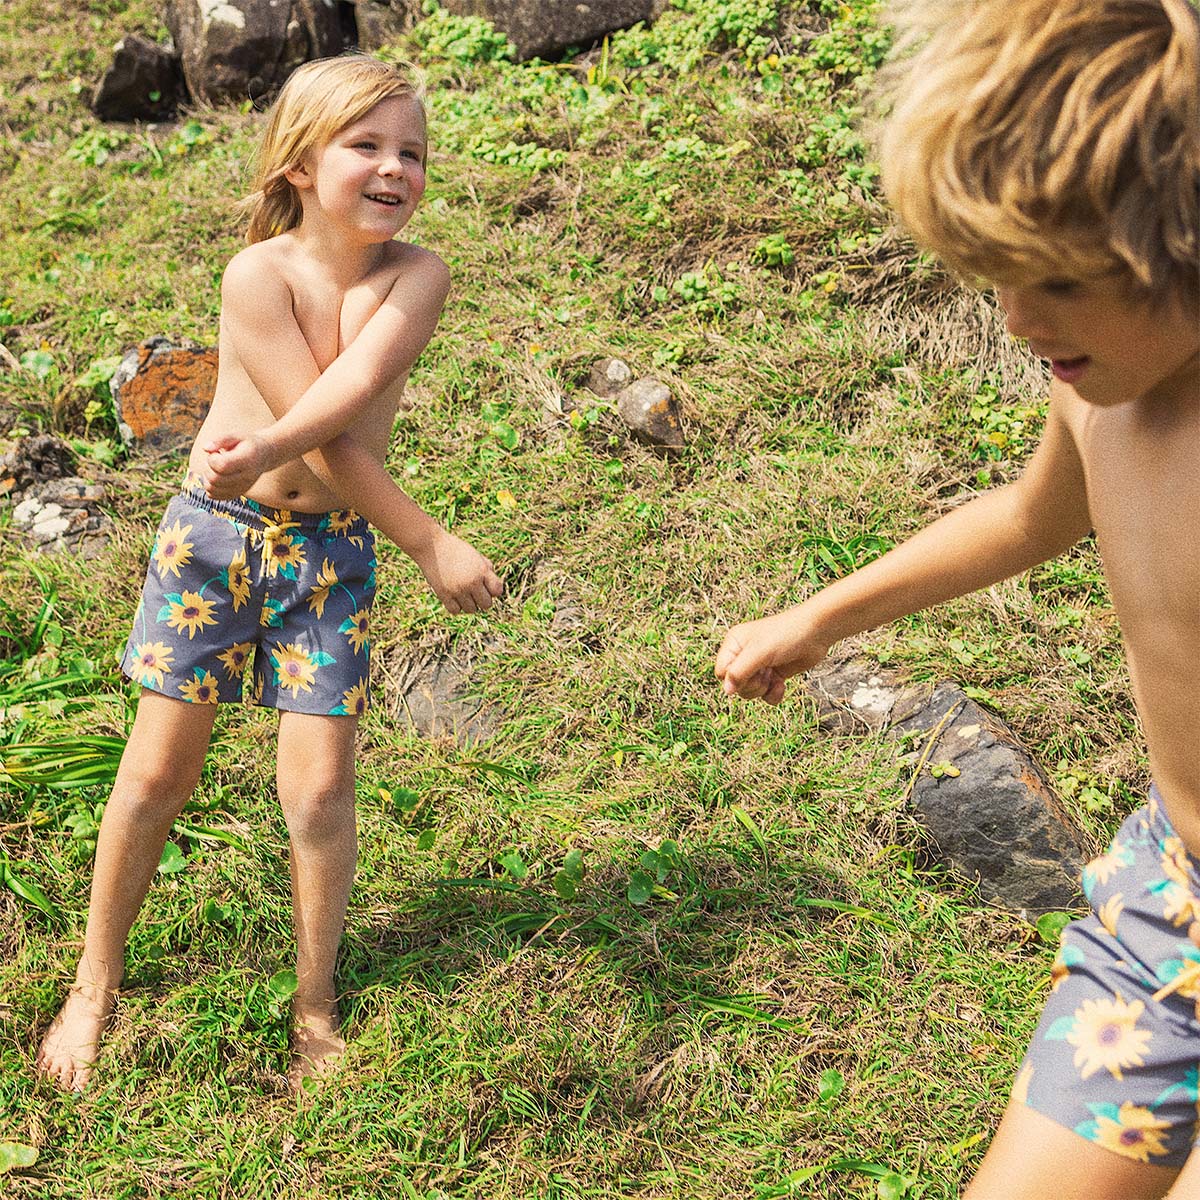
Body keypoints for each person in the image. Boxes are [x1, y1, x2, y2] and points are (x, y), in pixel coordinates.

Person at [715, 1, 1199, 1196]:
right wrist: (820, 616)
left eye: (1058, 285)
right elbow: (1033, 518)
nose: (1020, 323)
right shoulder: (1100, 394)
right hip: (1172, 896)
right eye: (996, 282)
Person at [36, 54, 504, 1094]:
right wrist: (430, 542)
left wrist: (272, 446)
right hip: (214, 538)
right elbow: (326, 429)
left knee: (322, 789)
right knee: (158, 774)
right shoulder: (257, 275)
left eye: (411, 152)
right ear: (297, 164)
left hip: (328, 558)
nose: (394, 169)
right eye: (366, 147)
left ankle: (315, 1000)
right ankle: (94, 981)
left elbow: (353, 398)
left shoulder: (416, 275)